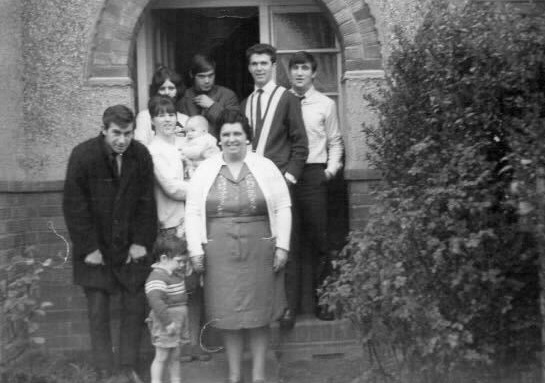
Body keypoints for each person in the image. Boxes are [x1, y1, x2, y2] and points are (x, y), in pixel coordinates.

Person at [185, 110, 291, 383]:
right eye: (226, 134)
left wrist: (283, 247)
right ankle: (233, 376)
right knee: (228, 314)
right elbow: (193, 211)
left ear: (247, 138)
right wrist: (196, 249)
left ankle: (257, 376)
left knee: (259, 313)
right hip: (219, 251)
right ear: (219, 139)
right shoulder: (206, 169)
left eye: (237, 134)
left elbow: (283, 207)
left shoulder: (265, 166)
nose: (231, 139)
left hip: (260, 248)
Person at [63, 105, 157, 383]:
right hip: (94, 249)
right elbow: (74, 205)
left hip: (130, 246)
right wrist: (88, 247)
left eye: (128, 134)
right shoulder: (82, 155)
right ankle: (104, 369)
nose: (122, 140)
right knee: (98, 310)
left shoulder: (140, 155)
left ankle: (128, 365)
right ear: (104, 130)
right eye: (116, 133)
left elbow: (146, 203)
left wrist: (141, 242)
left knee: (134, 307)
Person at [241, 43, 308, 329]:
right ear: (249, 67)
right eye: (254, 64)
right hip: (254, 186)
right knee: (259, 247)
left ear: (273, 66)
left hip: (280, 183)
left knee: (285, 246)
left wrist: (289, 179)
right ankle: (264, 307)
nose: (259, 68)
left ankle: (288, 309)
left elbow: (301, 144)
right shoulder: (246, 102)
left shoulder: (287, 98)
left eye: (264, 63)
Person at [146, 95, 210, 363]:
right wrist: (202, 188)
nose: (167, 119)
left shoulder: (183, 145)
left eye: (171, 114)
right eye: (161, 115)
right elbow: (171, 187)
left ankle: (193, 343)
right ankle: (175, 349)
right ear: (152, 120)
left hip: (193, 223)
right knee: (174, 291)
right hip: (171, 226)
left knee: (193, 288)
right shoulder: (154, 151)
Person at [288, 51, 344, 320]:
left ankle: (324, 302)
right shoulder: (283, 102)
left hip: (313, 173)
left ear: (313, 73)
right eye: (295, 68)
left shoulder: (325, 104)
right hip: (287, 175)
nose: (299, 73)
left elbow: (335, 141)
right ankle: (292, 306)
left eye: (304, 68)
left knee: (319, 240)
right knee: (290, 240)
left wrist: (330, 172)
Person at [145, 235, 191, 383]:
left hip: (178, 321)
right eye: (179, 261)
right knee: (162, 356)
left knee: (175, 355)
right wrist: (168, 323)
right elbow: (156, 302)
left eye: (184, 261)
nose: (182, 265)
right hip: (167, 322)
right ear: (164, 259)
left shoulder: (175, 273)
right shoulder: (157, 277)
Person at [177, 53, 239, 135]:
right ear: (192, 74)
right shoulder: (183, 98)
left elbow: (236, 124)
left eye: (211, 75)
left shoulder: (228, 95)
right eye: (202, 76)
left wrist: (212, 106)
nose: (207, 81)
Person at [135, 66, 189, 145]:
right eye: (162, 89)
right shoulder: (145, 116)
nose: (167, 92)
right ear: (156, 91)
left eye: (171, 88)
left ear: (178, 90)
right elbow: (141, 147)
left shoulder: (185, 119)